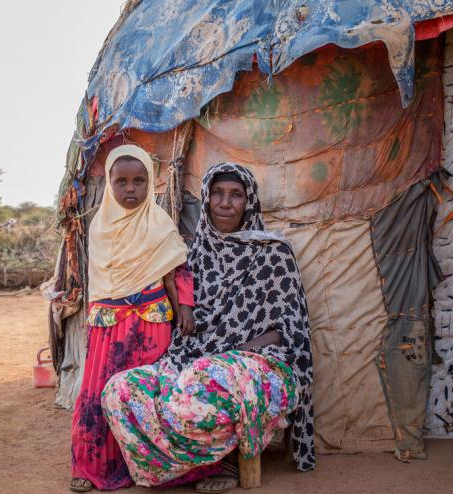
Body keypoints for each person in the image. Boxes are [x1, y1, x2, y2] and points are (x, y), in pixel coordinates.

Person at [101, 162, 315, 492]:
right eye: (216, 193)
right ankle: (180, 469)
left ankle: (223, 462)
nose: (225, 203)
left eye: (235, 195)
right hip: (195, 363)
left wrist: (244, 350)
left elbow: (291, 330)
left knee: (204, 381)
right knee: (121, 389)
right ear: (205, 199)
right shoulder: (193, 256)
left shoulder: (274, 252)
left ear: (250, 201)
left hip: (261, 364)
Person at [70, 144, 194, 492]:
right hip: (109, 326)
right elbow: (99, 282)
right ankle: (91, 466)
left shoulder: (160, 224)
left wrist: (184, 306)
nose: (130, 189)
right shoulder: (100, 229)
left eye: (139, 181)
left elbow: (177, 271)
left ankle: (161, 467)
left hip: (152, 324)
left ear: (150, 183)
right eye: (121, 181)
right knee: (98, 392)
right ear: (109, 183)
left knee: (151, 394)